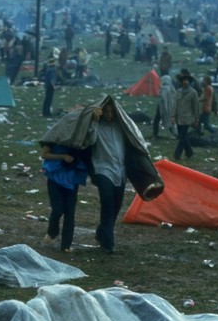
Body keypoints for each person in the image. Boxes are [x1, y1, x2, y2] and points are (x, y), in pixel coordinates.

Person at [39, 95, 165, 255]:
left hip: (119, 170)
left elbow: (134, 142)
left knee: (116, 205)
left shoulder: (121, 128)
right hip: (101, 169)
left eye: (112, 112)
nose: (110, 115)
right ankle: (108, 243)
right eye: (107, 112)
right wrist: (94, 121)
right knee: (107, 203)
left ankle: (101, 233)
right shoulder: (95, 127)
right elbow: (88, 140)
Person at [40, 143, 88, 252]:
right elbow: (44, 154)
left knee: (70, 212)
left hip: (72, 177)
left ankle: (66, 245)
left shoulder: (79, 137)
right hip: (55, 176)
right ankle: (52, 232)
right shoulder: (56, 136)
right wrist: (63, 156)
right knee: (57, 209)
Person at [172, 69, 199, 162]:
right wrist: (173, 116)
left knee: (182, 137)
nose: (185, 82)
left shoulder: (193, 93)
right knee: (182, 136)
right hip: (179, 117)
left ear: (190, 82)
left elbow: (196, 107)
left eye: (187, 80)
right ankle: (189, 153)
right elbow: (175, 104)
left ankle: (177, 155)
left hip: (188, 118)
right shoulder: (178, 91)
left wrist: (196, 119)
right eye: (184, 80)